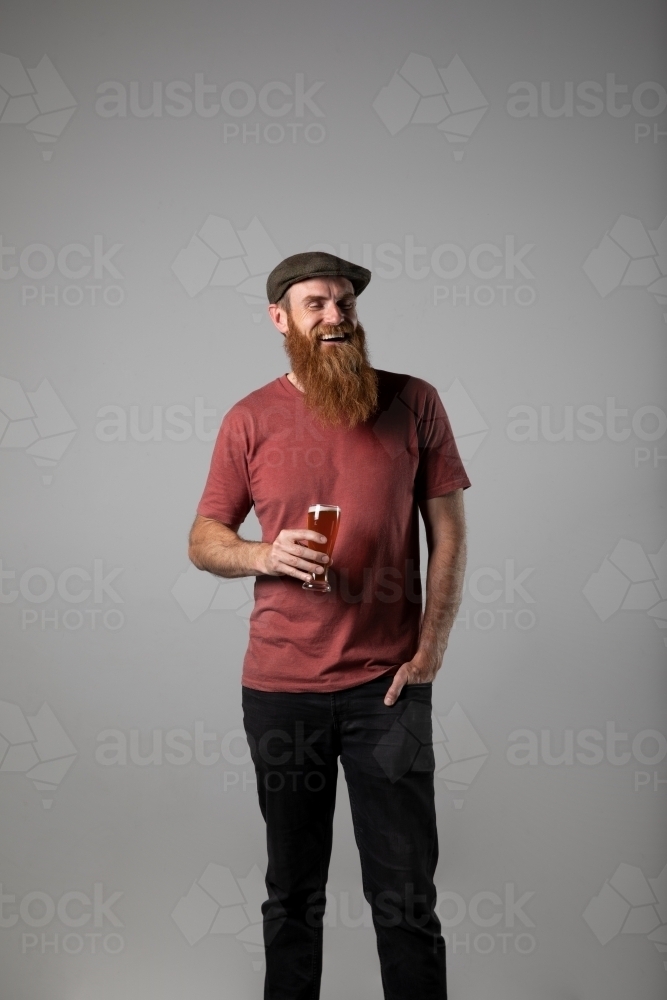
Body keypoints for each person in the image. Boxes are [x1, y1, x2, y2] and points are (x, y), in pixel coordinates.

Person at [189, 251, 470, 1000]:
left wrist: (431, 650)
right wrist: (261, 553)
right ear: (280, 320)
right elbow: (202, 540)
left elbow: (449, 535)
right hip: (281, 688)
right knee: (292, 895)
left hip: (389, 687)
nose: (336, 318)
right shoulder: (249, 418)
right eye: (316, 305)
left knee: (406, 899)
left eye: (344, 304)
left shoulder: (414, 402)